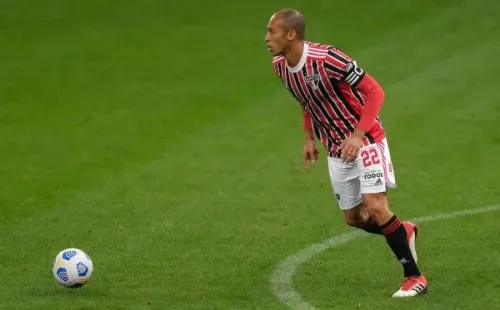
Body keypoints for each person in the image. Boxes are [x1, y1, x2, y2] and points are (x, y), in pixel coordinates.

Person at [265, 8, 428, 298]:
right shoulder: (280, 65)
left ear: (291, 35)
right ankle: (403, 231)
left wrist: (358, 134)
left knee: (376, 206)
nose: (266, 38)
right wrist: (309, 138)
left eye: (271, 31)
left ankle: (414, 276)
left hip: (366, 140)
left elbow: (375, 91)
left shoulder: (328, 59)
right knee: (354, 219)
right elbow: (306, 100)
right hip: (335, 148)